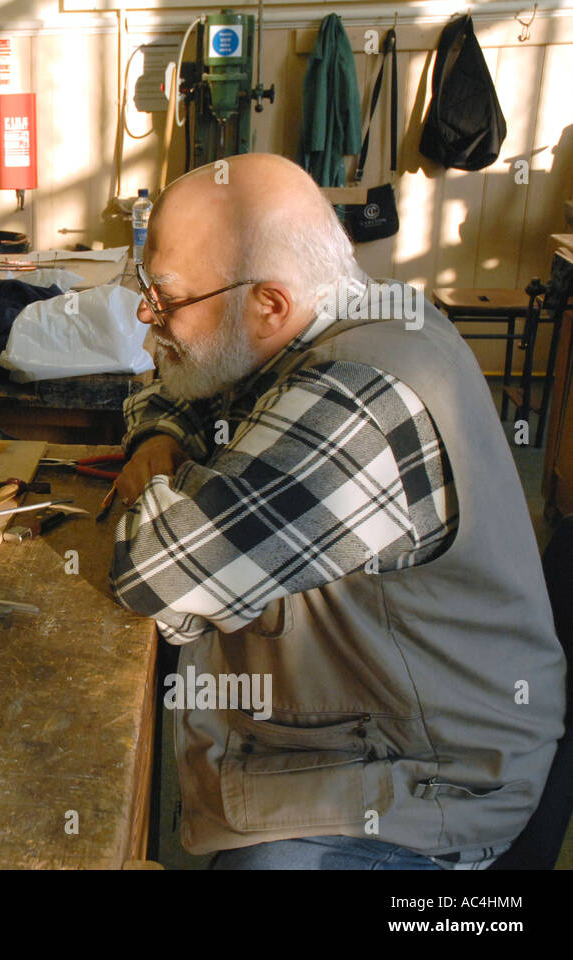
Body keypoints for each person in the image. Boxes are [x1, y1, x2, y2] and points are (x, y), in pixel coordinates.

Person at [110, 153, 565, 869]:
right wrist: (162, 436)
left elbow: (157, 576)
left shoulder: (357, 405)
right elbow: (167, 375)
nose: (145, 316)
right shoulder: (343, 309)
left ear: (269, 304)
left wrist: (161, 480)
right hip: (356, 734)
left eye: (163, 297)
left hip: (425, 785)